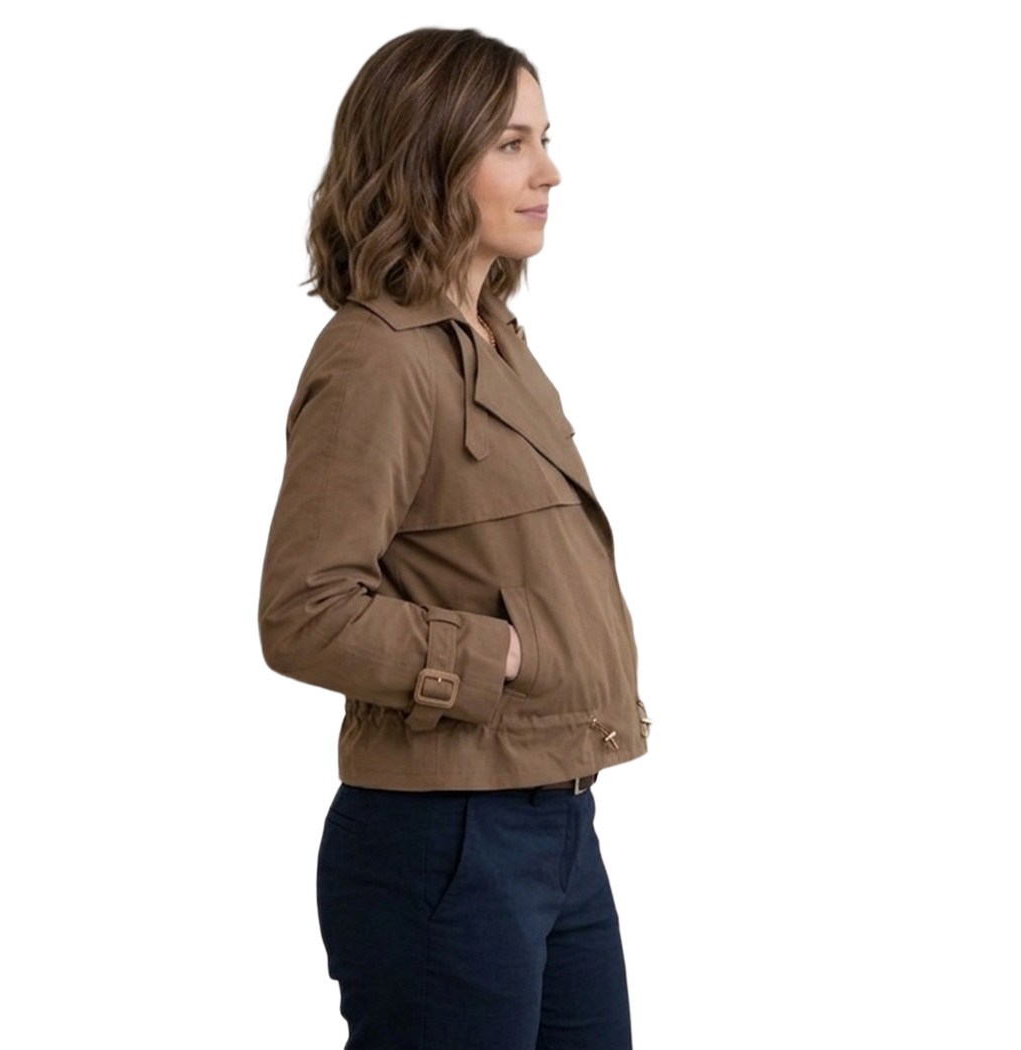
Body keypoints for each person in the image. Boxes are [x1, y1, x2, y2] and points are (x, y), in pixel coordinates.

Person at [258, 27, 650, 1050]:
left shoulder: (497, 343)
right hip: (446, 838)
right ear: (429, 157)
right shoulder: (377, 359)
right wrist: (492, 654)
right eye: (513, 144)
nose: (549, 172)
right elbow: (303, 612)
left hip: (558, 821)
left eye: (546, 140)